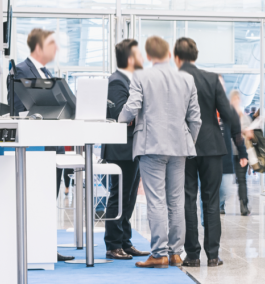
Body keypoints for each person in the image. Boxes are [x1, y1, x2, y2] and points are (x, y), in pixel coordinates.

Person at [119, 36, 203, 268]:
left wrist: (120, 119)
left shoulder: (141, 76)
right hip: (179, 146)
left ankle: (159, 253)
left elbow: (132, 107)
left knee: (156, 200)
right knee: (176, 200)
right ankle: (175, 253)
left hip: (151, 145)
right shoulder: (186, 79)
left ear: (148, 56)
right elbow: (195, 118)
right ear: (169, 54)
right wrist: (187, 142)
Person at [174, 37, 247, 267]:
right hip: (212, 147)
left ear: (176, 58)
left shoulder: (174, 79)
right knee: (211, 200)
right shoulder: (211, 79)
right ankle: (213, 255)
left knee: (188, 199)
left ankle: (193, 255)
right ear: (195, 56)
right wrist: (238, 140)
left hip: (184, 146)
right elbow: (229, 114)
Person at [14, 28, 74, 262]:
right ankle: (32, 248)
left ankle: (47, 246)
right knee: (37, 200)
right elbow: (18, 108)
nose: (56, 48)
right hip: (36, 148)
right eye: (51, 44)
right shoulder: (21, 70)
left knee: (51, 198)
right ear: (39, 47)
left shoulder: (47, 72)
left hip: (52, 146)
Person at [102, 39, 150, 260]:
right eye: (139, 54)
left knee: (129, 198)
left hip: (132, 147)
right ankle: (113, 245)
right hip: (121, 149)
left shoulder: (129, 80)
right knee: (119, 197)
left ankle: (124, 242)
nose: (143, 58)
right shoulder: (117, 82)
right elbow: (120, 115)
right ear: (130, 59)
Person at [230, 90, 252, 216]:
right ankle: (221, 205)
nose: (236, 101)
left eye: (237, 98)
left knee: (242, 180)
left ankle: (244, 205)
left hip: (241, 152)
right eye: (234, 99)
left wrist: (248, 133)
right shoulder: (226, 116)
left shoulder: (245, 118)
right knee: (223, 179)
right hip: (228, 152)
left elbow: (251, 136)